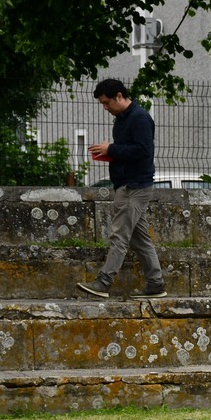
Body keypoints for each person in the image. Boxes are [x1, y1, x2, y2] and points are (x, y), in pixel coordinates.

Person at [78, 78, 166, 299]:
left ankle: (104, 282)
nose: (105, 108)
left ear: (119, 96)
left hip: (135, 186)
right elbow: (130, 151)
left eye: (107, 103)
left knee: (119, 234)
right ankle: (156, 283)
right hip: (127, 185)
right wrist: (110, 152)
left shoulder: (140, 118)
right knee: (139, 238)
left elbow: (143, 150)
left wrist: (112, 149)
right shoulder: (122, 119)